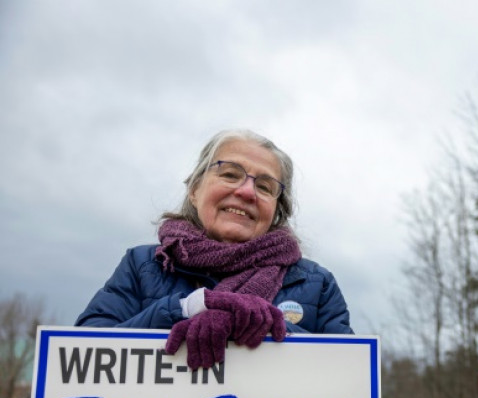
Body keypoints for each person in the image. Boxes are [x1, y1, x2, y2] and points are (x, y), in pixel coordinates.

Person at [76, 129, 353, 369]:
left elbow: (349, 373)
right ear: (195, 190)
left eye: (265, 187)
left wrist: (269, 326)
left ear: (277, 211)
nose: (247, 192)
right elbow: (81, 354)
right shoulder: (141, 265)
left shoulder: (318, 285)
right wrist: (183, 309)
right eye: (230, 174)